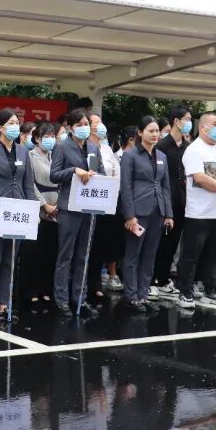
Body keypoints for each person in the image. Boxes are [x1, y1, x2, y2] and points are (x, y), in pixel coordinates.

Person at [175, 111, 216, 308]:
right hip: (200, 212)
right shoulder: (194, 149)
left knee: (215, 254)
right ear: (203, 127)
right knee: (191, 254)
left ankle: (211, 289)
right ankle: (185, 291)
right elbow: (199, 178)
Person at [0, 109, 36, 321]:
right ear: (0, 128)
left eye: (17, 122)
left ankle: (5, 302)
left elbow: (28, 185)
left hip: (18, 211)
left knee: (10, 260)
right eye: (11, 123)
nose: (15, 126)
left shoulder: (23, 151)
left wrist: (33, 210)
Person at [50, 109, 106, 317]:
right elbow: (54, 174)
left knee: (84, 254)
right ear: (71, 127)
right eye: (79, 125)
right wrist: (74, 171)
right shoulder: (62, 146)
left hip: (89, 206)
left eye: (86, 124)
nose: (83, 128)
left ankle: (80, 298)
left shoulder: (93, 147)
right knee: (66, 254)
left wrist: (95, 175)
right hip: (69, 207)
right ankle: (61, 300)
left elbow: (101, 172)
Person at [119, 116, 174, 311]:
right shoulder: (130, 155)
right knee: (133, 254)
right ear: (140, 133)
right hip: (138, 211)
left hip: (157, 210)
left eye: (157, 131)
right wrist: (129, 215)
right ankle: (131, 296)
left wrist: (169, 213)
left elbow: (165, 186)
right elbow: (125, 187)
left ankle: (143, 295)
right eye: (151, 131)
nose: (155, 134)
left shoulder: (162, 156)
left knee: (150, 255)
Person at [152, 105, 192, 294]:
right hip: (163, 201)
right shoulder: (161, 146)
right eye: (187, 119)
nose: (190, 123)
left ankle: (163, 278)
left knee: (173, 243)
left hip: (182, 201)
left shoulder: (188, 147)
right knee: (159, 241)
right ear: (176, 121)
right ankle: (151, 279)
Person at [88, 113, 123, 297]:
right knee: (90, 244)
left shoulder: (107, 148)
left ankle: (97, 283)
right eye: (96, 123)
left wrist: (112, 187)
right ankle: (90, 284)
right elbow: (94, 173)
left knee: (103, 243)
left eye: (101, 122)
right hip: (92, 201)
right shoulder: (88, 148)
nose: (100, 126)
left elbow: (117, 171)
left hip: (109, 201)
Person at [25, 122, 59, 307]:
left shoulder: (57, 156)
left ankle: (46, 289)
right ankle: (31, 291)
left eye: (52, 136)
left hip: (57, 207)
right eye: (46, 136)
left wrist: (58, 205)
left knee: (50, 251)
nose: (50, 140)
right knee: (34, 252)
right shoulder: (30, 156)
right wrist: (45, 205)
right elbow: (30, 184)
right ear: (37, 139)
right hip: (38, 207)